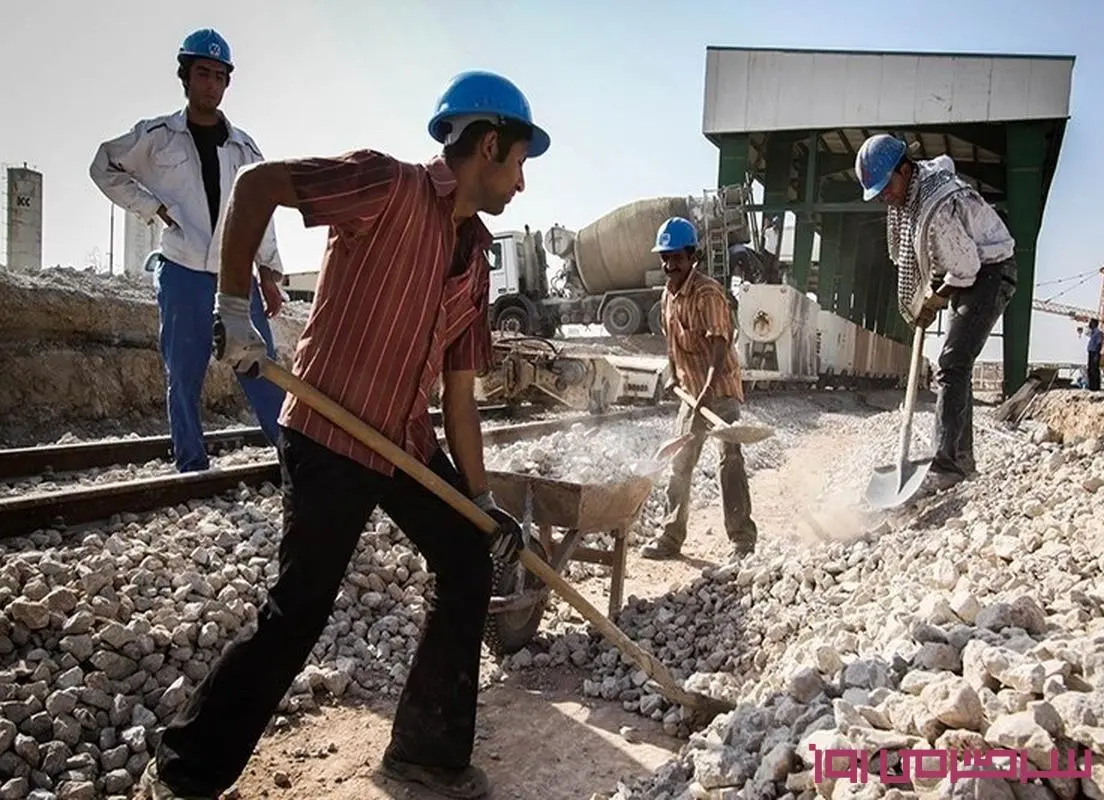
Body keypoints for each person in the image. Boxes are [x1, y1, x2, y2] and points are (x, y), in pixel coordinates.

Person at [138, 69, 547, 800]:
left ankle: (426, 754)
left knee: (467, 555)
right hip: (328, 432)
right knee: (299, 611)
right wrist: (235, 309)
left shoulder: (476, 264)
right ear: (487, 144)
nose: (521, 183)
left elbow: (458, 398)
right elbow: (259, 185)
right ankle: (183, 773)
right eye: (519, 162)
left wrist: (480, 501)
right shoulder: (385, 185)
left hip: (400, 444)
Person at [89, 28, 286, 473]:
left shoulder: (244, 147)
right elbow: (103, 165)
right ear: (185, 77)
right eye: (203, 73)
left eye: (220, 76)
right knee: (184, 372)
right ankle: (192, 466)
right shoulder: (157, 137)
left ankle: (290, 460)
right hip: (181, 271)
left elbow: (262, 213)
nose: (211, 84)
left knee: (260, 369)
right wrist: (151, 205)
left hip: (236, 277)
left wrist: (270, 275)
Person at [855, 133, 1018, 494]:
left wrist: (935, 299)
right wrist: (933, 293)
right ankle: (961, 459)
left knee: (952, 362)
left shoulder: (936, 209)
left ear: (905, 169)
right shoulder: (916, 191)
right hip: (973, 270)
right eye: (878, 191)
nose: (885, 196)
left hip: (991, 272)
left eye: (887, 186)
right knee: (956, 364)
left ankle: (946, 465)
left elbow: (967, 268)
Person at [640, 217, 758, 560]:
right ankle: (670, 537)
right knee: (680, 462)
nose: (669, 265)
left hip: (718, 389)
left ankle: (742, 539)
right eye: (665, 258)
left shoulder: (708, 293)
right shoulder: (667, 296)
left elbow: (720, 345)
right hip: (692, 393)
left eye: (676, 257)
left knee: (729, 461)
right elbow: (672, 343)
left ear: (693, 257)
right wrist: (673, 374)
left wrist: (706, 389)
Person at [1086, 318, 1104, 390]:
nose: (1089, 324)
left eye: (1091, 322)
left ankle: (1095, 387)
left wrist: (1096, 355)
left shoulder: (1098, 332)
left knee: (1094, 370)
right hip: (1091, 353)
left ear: (1094, 324)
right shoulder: (1093, 333)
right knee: (1090, 370)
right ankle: (1091, 386)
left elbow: (1099, 344)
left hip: (1095, 353)